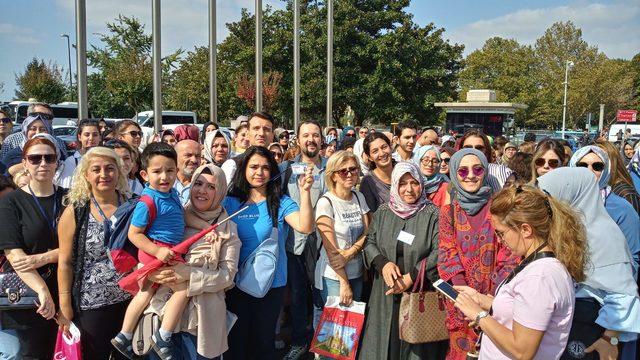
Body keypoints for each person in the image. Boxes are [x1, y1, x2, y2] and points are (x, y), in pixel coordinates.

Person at [454, 185, 587, 359]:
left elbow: (522, 350)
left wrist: (479, 316)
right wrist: (481, 300)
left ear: (525, 229)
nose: (500, 241)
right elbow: (521, 309)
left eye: (501, 233)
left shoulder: (540, 277)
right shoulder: (536, 263)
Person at [538, 168, 640, 360]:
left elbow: (624, 296)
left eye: (549, 196)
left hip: (590, 334)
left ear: (570, 194)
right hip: (565, 327)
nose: (545, 203)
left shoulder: (604, 235)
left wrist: (610, 341)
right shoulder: (565, 230)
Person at [223, 146, 314, 360]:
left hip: (270, 287)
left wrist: (306, 192)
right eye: (253, 166)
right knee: (235, 343)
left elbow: (305, 226)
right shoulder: (229, 202)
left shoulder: (281, 203)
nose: (259, 172)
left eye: (265, 167)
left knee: (263, 343)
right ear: (243, 169)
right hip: (233, 285)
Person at [146, 164, 241, 360]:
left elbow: (227, 276)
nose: (202, 191)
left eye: (211, 187)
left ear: (221, 190)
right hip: (163, 314)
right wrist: (154, 274)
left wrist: (189, 274)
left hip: (202, 322)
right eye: (198, 184)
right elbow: (148, 252)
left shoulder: (228, 229)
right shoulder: (173, 217)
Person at [359, 161, 447, 360]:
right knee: (385, 345)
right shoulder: (383, 212)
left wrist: (412, 276)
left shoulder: (432, 214)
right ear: (395, 185)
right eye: (402, 183)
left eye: (414, 183)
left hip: (418, 292)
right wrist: (382, 263)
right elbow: (370, 241)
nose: (409, 189)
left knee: (414, 348)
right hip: (386, 292)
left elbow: (440, 251)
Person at [437, 148, 517, 359]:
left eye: (477, 169)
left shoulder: (500, 209)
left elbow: (509, 255)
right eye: (462, 171)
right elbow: (447, 253)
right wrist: (463, 294)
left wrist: (489, 297)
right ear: (454, 173)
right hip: (460, 299)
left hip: (494, 300)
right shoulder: (448, 212)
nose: (471, 175)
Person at [111, 142, 188, 359]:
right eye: (157, 171)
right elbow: (134, 234)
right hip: (158, 252)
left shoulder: (172, 194)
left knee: (146, 293)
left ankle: (124, 336)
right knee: (182, 289)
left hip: (165, 251)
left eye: (170, 170)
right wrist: (157, 251)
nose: (164, 176)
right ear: (144, 174)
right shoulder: (147, 201)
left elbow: (182, 217)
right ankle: (163, 336)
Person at [57, 147, 132, 359]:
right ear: (86, 175)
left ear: (118, 172)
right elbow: (65, 263)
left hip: (132, 302)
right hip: (91, 303)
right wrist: (65, 305)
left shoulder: (133, 204)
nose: (103, 175)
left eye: (110, 169)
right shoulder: (76, 210)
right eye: (96, 169)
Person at [0, 137, 66, 358]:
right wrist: (42, 291)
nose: (43, 163)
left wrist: (43, 258)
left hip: (67, 290)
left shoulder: (71, 199)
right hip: (27, 294)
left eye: (50, 158)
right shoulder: (11, 202)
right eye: (35, 158)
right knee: (30, 353)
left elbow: (80, 248)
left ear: (58, 162)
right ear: (25, 163)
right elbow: (15, 255)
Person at [280, 121, 328, 360]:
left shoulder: (332, 168)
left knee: (324, 295)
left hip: (325, 244)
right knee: (298, 297)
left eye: (315, 135)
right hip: (295, 243)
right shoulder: (285, 170)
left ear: (322, 139)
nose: (311, 139)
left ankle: (326, 343)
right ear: (297, 140)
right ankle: (300, 341)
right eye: (306, 135)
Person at [569, 146, 640, 274]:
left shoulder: (621, 209)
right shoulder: (563, 203)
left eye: (597, 166)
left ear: (606, 170)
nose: (589, 171)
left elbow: (633, 257)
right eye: (582, 165)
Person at [315, 151, 370, 306]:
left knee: (354, 327)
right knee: (335, 329)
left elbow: (368, 232)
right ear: (333, 176)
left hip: (357, 272)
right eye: (342, 171)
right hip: (334, 276)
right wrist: (344, 283)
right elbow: (331, 250)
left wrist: (351, 252)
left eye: (353, 169)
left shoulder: (359, 197)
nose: (349, 174)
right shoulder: (326, 202)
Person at [1, 103, 68, 160]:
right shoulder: (11, 141)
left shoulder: (59, 142)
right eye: (38, 115)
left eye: (48, 117)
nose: (42, 118)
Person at [222, 112, 275, 184]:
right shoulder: (232, 166)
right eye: (256, 128)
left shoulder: (277, 167)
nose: (261, 133)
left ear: (272, 136)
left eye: (266, 129)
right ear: (247, 134)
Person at [595, 139, 640, 213]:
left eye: (597, 165)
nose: (589, 169)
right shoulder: (598, 187)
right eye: (583, 165)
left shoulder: (626, 194)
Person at [58, 119, 102, 188]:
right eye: (87, 135)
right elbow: (66, 190)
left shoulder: (105, 159)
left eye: (95, 135)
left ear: (100, 137)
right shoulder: (71, 162)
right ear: (79, 137)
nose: (91, 138)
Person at [360, 132, 394, 213]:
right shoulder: (368, 182)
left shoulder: (403, 171)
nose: (382, 153)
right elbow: (371, 217)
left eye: (384, 147)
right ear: (369, 157)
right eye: (375, 151)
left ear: (391, 147)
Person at [174, 139, 203, 206]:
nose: (194, 160)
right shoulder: (165, 183)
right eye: (188, 155)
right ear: (175, 157)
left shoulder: (206, 185)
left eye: (197, 156)